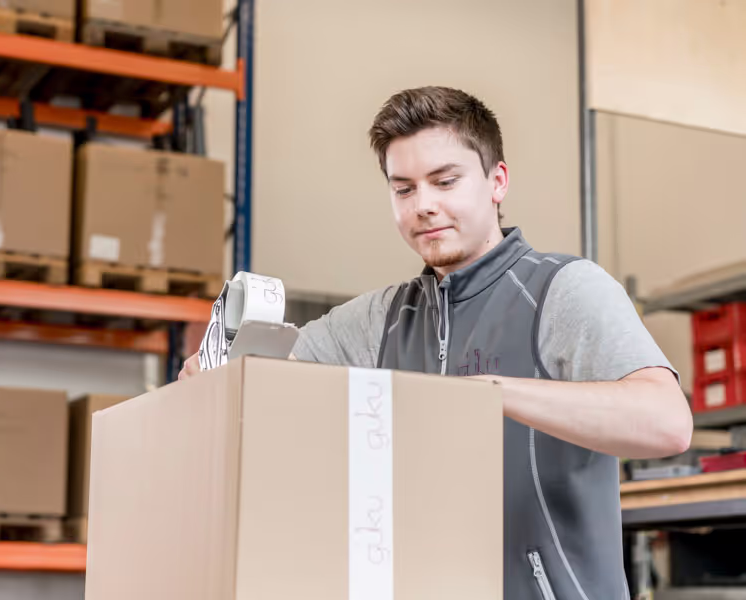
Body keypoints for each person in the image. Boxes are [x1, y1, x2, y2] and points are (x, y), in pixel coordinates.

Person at [180, 86, 692, 599]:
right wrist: (212, 374)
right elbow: (264, 380)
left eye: (445, 181)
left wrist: (493, 393)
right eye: (403, 189)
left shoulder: (562, 290)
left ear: (498, 181)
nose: (424, 206)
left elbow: (667, 423)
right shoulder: (379, 320)